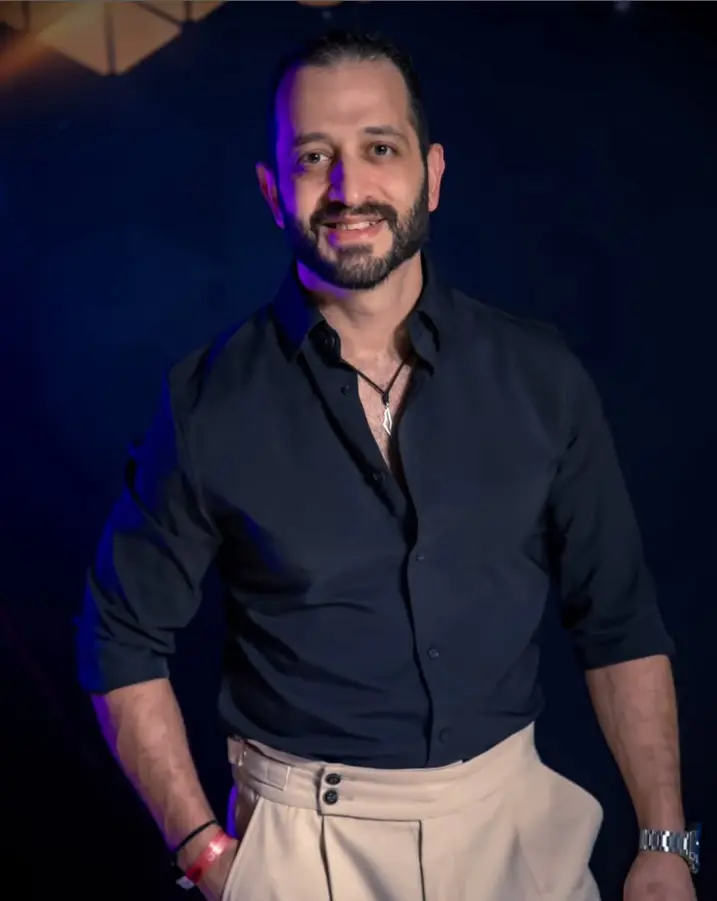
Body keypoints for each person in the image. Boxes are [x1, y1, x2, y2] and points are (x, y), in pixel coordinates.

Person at [77, 28, 699, 901]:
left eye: (379, 148)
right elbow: (117, 640)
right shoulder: (205, 404)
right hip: (302, 848)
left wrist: (665, 838)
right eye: (312, 157)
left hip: (516, 828)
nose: (347, 189)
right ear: (272, 192)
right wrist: (205, 854)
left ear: (431, 175)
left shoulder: (539, 374)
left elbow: (618, 620)